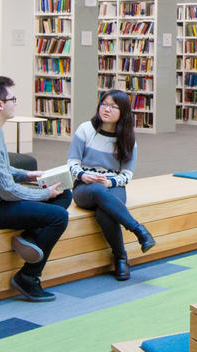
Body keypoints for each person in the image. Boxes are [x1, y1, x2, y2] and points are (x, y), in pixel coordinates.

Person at [0, 76, 72, 303]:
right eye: (13, 99)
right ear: (0, 105)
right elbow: (8, 191)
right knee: (59, 216)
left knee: (64, 193)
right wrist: (44, 194)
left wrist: (27, 175)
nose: (16, 103)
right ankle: (28, 277)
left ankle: (29, 237)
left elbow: (1, 168)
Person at [68, 90, 155, 281]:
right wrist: (83, 175)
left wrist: (110, 182)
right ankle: (138, 230)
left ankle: (120, 257)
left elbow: (127, 174)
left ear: (123, 112)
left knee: (104, 212)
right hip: (85, 187)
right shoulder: (85, 129)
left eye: (113, 107)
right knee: (99, 190)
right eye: (104, 104)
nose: (106, 109)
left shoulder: (127, 138)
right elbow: (72, 162)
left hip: (114, 186)